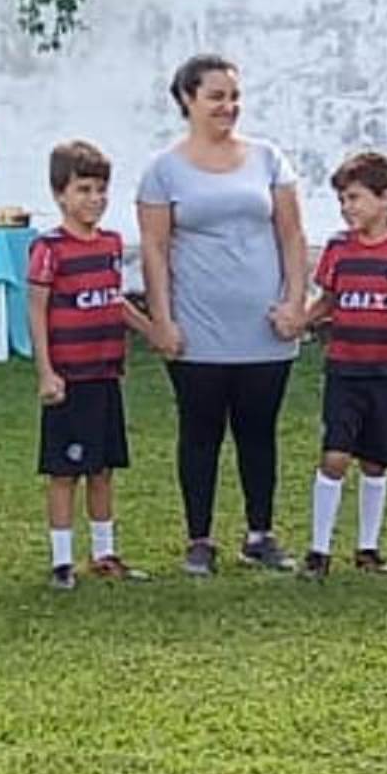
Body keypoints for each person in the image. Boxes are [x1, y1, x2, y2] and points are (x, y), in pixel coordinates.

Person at [135, 56, 308, 576]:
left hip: (264, 327)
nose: (228, 106)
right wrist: (162, 319)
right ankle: (200, 538)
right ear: (187, 99)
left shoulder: (268, 159)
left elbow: (292, 235)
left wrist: (295, 303)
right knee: (200, 431)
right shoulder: (163, 170)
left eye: (234, 96)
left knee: (259, 431)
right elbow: (154, 249)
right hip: (197, 328)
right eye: (215, 96)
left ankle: (260, 533)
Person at [30, 141, 179, 588]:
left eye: (100, 190)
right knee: (64, 472)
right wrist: (46, 372)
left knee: (102, 468)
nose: (94, 199)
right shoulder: (49, 248)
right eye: (83, 190)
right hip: (69, 378)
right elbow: (37, 310)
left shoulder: (111, 244)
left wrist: (151, 330)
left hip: (104, 374)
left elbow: (113, 301)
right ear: (60, 194)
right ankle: (61, 561)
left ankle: (104, 553)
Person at [291, 152, 387, 574]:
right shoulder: (339, 248)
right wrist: (297, 322)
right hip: (345, 368)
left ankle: (368, 548)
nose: (347, 207)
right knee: (335, 456)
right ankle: (318, 550)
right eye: (342, 200)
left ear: (385, 197)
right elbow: (327, 300)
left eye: (354, 198)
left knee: (375, 460)